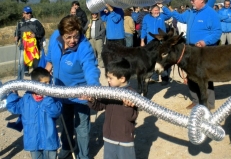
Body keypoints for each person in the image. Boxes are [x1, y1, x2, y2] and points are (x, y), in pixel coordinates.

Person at [45, 15, 100, 159]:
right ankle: (68, 147)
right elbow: (50, 59)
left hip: (80, 94)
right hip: (60, 91)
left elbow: (91, 68)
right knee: (65, 123)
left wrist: (92, 89)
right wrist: (43, 77)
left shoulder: (84, 46)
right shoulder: (54, 38)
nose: (72, 41)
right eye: (68, 37)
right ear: (61, 34)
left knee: (81, 128)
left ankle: (83, 155)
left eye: (75, 36)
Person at [171, 0, 222, 110]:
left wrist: (205, 41)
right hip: (190, 50)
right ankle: (195, 100)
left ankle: (209, 103)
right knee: (191, 76)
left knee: (205, 77)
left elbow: (217, 32)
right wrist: (165, 8)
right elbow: (179, 17)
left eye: (193, 0)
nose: (191, 1)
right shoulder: (191, 12)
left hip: (204, 51)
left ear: (202, 0)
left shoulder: (211, 13)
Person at [81, 58, 138, 159]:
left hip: (124, 140)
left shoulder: (132, 94)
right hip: (109, 138)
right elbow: (100, 106)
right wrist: (91, 100)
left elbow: (132, 117)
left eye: (110, 78)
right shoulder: (109, 91)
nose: (108, 80)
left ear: (122, 79)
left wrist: (126, 106)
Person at [6, 67, 62, 159]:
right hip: (33, 142)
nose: (47, 85)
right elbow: (13, 107)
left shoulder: (52, 98)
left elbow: (55, 112)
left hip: (49, 142)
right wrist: (13, 95)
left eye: (49, 82)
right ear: (35, 84)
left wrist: (48, 98)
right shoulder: (26, 99)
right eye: (44, 83)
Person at [141, 3, 172, 85]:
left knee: (163, 60)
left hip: (161, 42)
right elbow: (143, 29)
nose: (157, 12)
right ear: (150, 11)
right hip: (150, 42)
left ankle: (165, 77)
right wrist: (142, 40)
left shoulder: (162, 16)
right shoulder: (146, 18)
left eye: (158, 10)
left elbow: (170, 14)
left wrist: (163, 6)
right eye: (155, 10)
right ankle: (153, 77)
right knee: (152, 59)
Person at [14, 6, 45, 79]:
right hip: (23, 47)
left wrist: (35, 35)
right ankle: (19, 80)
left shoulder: (35, 21)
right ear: (23, 14)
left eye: (30, 13)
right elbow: (17, 32)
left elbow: (42, 32)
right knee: (21, 63)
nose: (29, 14)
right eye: (27, 13)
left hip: (34, 48)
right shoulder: (20, 23)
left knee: (36, 65)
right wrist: (16, 36)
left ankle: (36, 81)